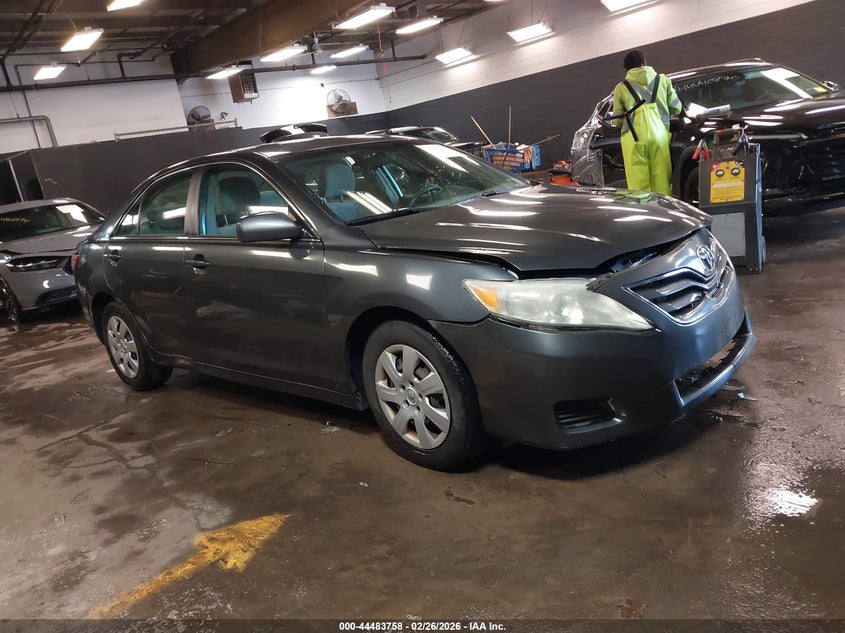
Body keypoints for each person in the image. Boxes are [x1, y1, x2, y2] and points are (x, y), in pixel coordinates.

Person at [609, 49, 682, 195]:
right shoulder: (663, 81)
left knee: (638, 184)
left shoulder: (621, 88)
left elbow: (617, 122)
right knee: (661, 180)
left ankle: (646, 214)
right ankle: (664, 213)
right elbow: (677, 108)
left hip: (634, 138)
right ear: (645, 62)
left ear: (626, 69)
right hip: (659, 135)